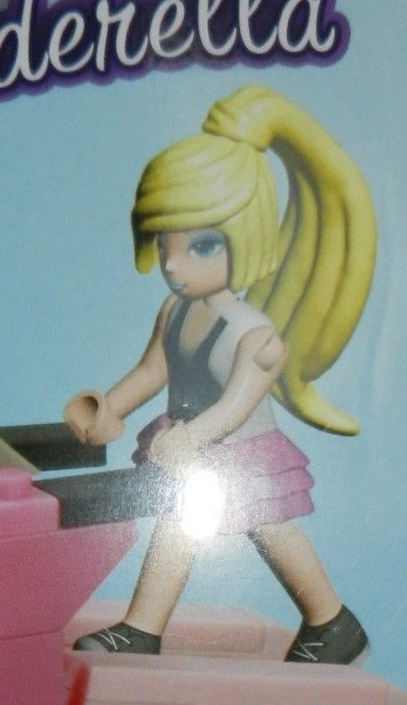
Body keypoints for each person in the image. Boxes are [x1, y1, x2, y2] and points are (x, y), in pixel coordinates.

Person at [64, 85, 374, 665]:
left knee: (272, 531)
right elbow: (152, 369)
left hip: (239, 451)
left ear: (248, 240)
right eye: (165, 244)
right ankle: (146, 629)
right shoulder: (175, 310)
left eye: (201, 245)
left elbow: (236, 406)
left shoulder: (254, 336)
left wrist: (192, 437)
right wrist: (109, 407)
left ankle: (331, 622)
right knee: (193, 526)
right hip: (195, 450)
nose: (174, 264)